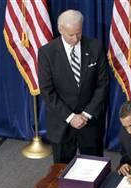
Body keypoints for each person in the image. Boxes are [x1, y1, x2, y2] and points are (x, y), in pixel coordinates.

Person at [38, 9, 109, 163]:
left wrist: (86, 114)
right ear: (60, 29)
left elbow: (102, 84)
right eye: (70, 34)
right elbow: (47, 91)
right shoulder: (46, 53)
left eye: (78, 33)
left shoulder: (95, 46)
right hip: (62, 123)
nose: (75, 38)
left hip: (90, 122)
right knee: (62, 171)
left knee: (93, 167)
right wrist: (71, 117)